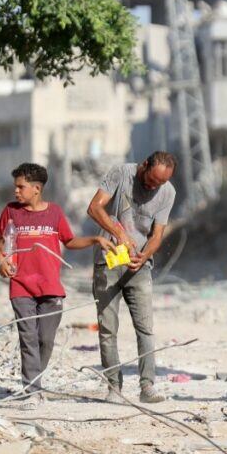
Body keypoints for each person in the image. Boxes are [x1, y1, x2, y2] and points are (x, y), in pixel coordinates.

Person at [0, 163, 112, 408]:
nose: (16, 191)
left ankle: (35, 380)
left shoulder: (55, 213)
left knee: (45, 339)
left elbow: (69, 241)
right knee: (27, 338)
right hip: (20, 286)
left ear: (36, 189)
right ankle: (32, 390)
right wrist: (2, 260)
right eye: (15, 187)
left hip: (50, 287)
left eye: (20, 187)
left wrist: (95, 239)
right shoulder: (10, 211)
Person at [87, 152, 177, 403]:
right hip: (108, 263)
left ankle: (147, 386)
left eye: (160, 183)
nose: (153, 187)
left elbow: (157, 234)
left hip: (140, 267)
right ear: (144, 165)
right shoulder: (121, 173)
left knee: (145, 329)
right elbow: (94, 207)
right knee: (107, 329)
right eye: (151, 180)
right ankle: (113, 387)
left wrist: (144, 254)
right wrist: (119, 232)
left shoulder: (167, 192)